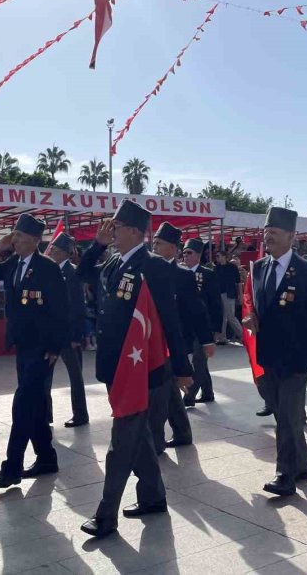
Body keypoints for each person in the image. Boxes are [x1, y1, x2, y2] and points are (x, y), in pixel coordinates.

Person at [76, 201, 192, 538]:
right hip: (116, 366)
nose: (110, 231)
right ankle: (154, 496)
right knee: (139, 437)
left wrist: (182, 367)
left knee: (122, 441)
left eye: (115, 226)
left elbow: (170, 319)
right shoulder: (113, 261)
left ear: (133, 231)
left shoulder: (154, 266)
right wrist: (96, 244)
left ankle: (105, 514)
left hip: (142, 369)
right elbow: (82, 273)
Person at [242, 208, 307, 498]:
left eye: (275, 231)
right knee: (285, 414)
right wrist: (250, 318)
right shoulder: (258, 268)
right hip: (269, 355)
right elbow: (255, 305)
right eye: (266, 230)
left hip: (297, 357)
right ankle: (301, 465)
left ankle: (285, 474)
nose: (268, 236)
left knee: (287, 415)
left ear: (291, 236)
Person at [0, 214, 67, 488]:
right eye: (14, 235)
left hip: (42, 347)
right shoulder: (14, 264)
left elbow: (60, 309)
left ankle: (12, 467)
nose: (14, 240)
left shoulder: (48, 268)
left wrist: (55, 346)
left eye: (18, 236)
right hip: (23, 344)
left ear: (33, 239)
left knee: (23, 404)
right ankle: (46, 458)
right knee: (36, 403)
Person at [150, 222, 212, 451]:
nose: (154, 247)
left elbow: (197, 310)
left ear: (172, 249)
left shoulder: (183, 275)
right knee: (168, 390)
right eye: (153, 242)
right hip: (153, 341)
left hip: (175, 342)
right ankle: (182, 432)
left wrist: (207, 340)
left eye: (159, 244)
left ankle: (155, 441)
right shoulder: (147, 269)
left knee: (159, 392)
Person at [46, 232, 89, 428]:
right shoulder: (49, 270)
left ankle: (80, 414)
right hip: (51, 334)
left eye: (55, 249)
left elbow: (78, 306)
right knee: (45, 376)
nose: (52, 251)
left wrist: (76, 335)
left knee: (76, 377)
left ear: (65, 253)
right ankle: (45, 415)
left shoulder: (73, 273)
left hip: (68, 335)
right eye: (52, 248)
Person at [182, 238, 222, 405]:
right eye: (184, 253)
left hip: (204, 326)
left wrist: (217, 327)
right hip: (186, 325)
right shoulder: (180, 273)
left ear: (198, 255)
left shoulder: (208, 274)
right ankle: (208, 392)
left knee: (198, 360)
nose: (185, 256)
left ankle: (189, 397)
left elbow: (216, 303)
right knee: (200, 361)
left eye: (189, 253)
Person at [214, 250, 243, 345]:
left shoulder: (232, 267)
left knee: (230, 316)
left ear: (224, 257)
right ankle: (222, 337)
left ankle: (243, 335)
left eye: (218, 256)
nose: (216, 257)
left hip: (229, 294)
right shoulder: (216, 268)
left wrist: (240, 295)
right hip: (219, 294)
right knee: (222, 316)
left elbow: (238, 282)